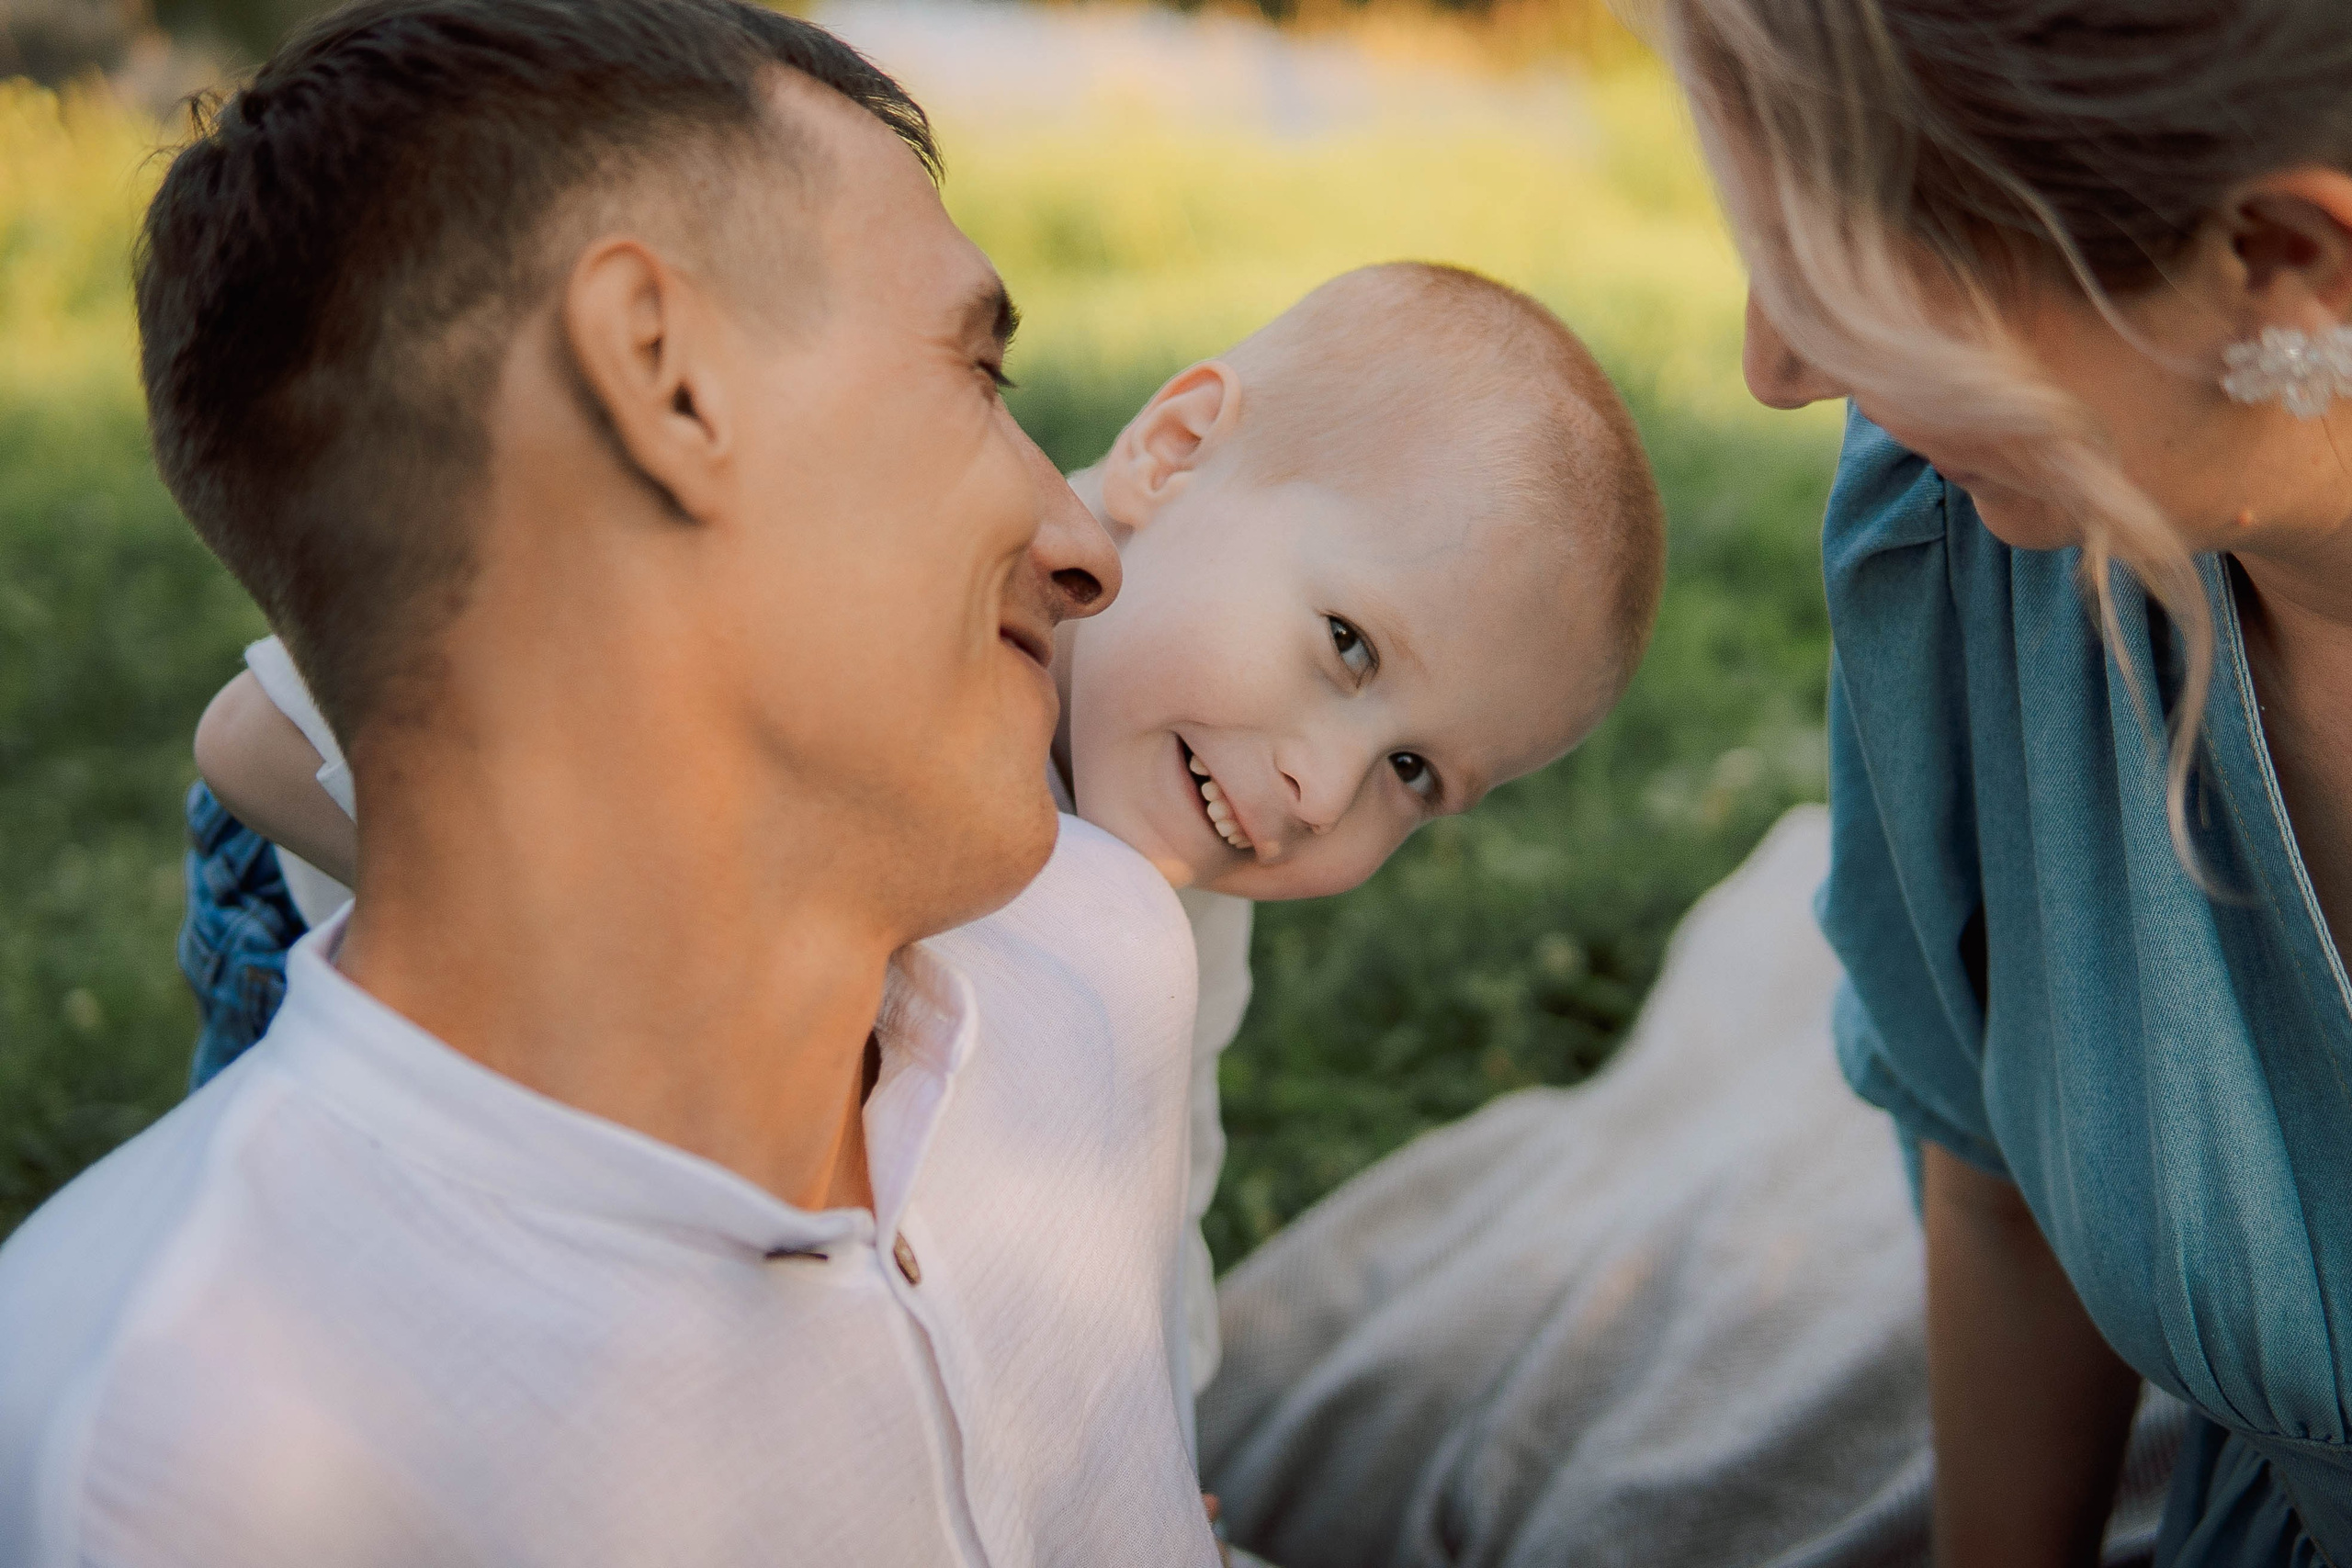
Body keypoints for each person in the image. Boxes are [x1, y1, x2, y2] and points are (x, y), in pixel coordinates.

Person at [0, 0, 1227, 1561]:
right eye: (976, 372)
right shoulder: (194, 1441)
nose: (1085, 545)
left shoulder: (1097, 969)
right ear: (663, 368)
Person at [186, 259, 1669, 1403]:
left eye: (1415, 772)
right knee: (354, 1368)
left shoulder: (1173, 858)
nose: (1323, 794)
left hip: (691, 1146)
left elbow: (1148, 1181)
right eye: (1348, 647)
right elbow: (258, 743)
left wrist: (1140, 1431)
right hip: (366, 944)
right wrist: (665, 965)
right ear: (1175, 449)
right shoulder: (882, 590)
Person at [1650, 0, 2352, 1559]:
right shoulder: (1967, 538)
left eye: (1856, 263)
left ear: (2288, 264)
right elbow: (2003, 1190)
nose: (1772, 366)